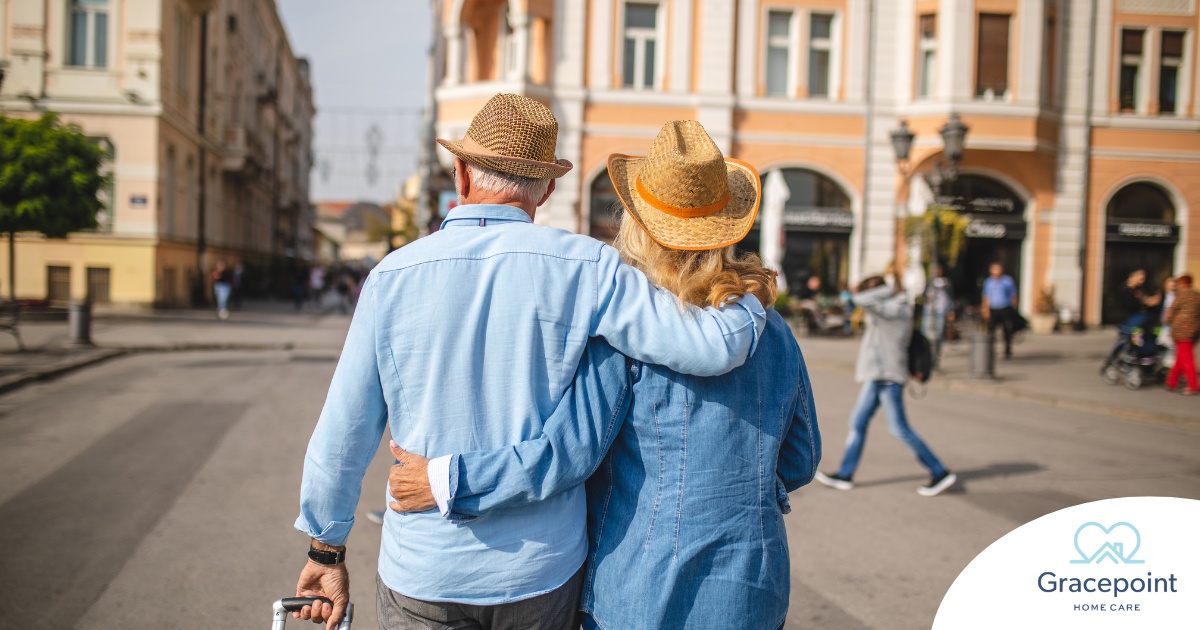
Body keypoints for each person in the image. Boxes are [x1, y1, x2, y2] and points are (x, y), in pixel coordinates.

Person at [292, 96, 767, 630]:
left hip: (424, 569)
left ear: (461, 173)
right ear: (547, 189)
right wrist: (749, 292)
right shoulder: (588, 267)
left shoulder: (392, 276)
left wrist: (325, 550)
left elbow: (342, 434)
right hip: (540, 570)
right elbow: (710, 348)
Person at [385, 120, 820, 629]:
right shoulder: (772, 329)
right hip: (753, 588)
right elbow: (800, 458)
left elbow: (566, 455)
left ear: (638, 222)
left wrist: (448, 479)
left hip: (641, 585)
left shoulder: (628, 333)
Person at [815, 274, 957, 496]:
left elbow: (861, 299)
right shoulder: (887, 308)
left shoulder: (896, 310)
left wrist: (885, 289)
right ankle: (845, 474)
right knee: (858, 422)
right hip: (877, 376)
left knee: (899, 428)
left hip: (889, 377)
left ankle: (939, 472)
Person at [1105, 269, 1163, 368]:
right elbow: (1130, 305)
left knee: (1141, 339)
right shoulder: (1125, 290)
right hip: (1128, 321)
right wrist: (1145, 302)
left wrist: (1151, 301)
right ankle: (1113, 360)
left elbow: (1144, 300)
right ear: (1132, 276)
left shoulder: (1139, 289)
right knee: (1127, 340)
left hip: (1138, 321)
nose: (1142, 281)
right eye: (1140, 278)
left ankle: (1142, 357)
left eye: (1143, 279)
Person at [1164, 274, 1198, 395]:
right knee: (1181, 357)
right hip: (1193, 330)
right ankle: (1171, 382)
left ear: (1182, 284)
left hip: (1181, 330)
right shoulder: (1196, 295)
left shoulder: (1181, 295)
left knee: (1187, 360)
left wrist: (1166, 321)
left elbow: (1171, 311)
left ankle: (1193, 385)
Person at [982, 263, 1018, 359]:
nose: (996, 272)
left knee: (1007, 329)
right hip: (993, 308)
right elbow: (986, 296)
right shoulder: (988, 282)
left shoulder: (1007, 281)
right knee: (991, 330)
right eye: (994, 270)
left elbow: (1013, 295)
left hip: (1005, 307)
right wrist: (985, 309)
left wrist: (1014, 308)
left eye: (998, 269)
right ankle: (990, 350)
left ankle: (1007, 350)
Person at [923, 264, 954, 362]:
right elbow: (924, 296)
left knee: (939, 334)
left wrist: (951, 311)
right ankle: (927, 355)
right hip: (929, 311)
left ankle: (936, 354)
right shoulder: (929, 282)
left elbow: (951, 297)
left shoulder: (946, 282)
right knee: (926, 333)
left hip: (941, 311)